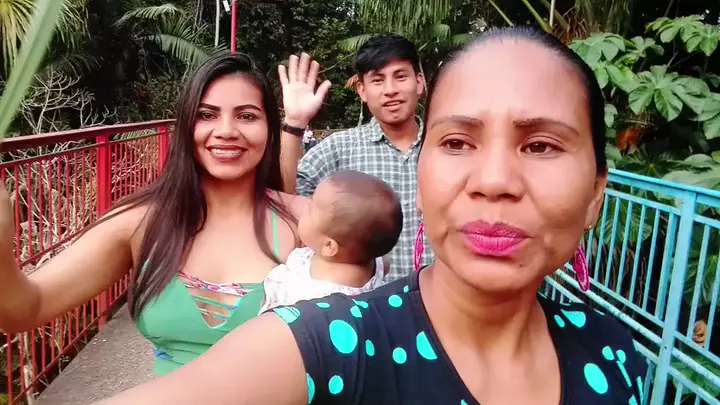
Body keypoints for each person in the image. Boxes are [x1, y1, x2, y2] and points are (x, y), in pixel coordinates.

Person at [94, 27, 647, 405]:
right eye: (457, 143)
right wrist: (292, 127)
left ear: (596, 193)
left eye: (542, 146)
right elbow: (293, 201)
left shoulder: (613, 352)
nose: (493, 180)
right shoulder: (335, 339)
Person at [0, 52, 330, 375]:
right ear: (185, 126)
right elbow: (26, 309)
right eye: (206, 114)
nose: (226, 130)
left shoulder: (304, 223)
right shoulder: (140, 221)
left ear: (269, 128)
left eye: (246, 116)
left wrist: (295, 125)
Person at [279, 35, 433, 282]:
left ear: (419, 82)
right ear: (362, 90)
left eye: (400, 76)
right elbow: (283, 197)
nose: (390, 90)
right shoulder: (339, 149)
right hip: (363, 303)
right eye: (378, 80)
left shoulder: (448, 148)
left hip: (440, 299)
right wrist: (294, 124)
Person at [259, 170, 401, 313]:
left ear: (328, 246)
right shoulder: (374, 262)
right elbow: (384, 261)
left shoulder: (311, 296)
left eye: (311, 208)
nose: (305, 205)